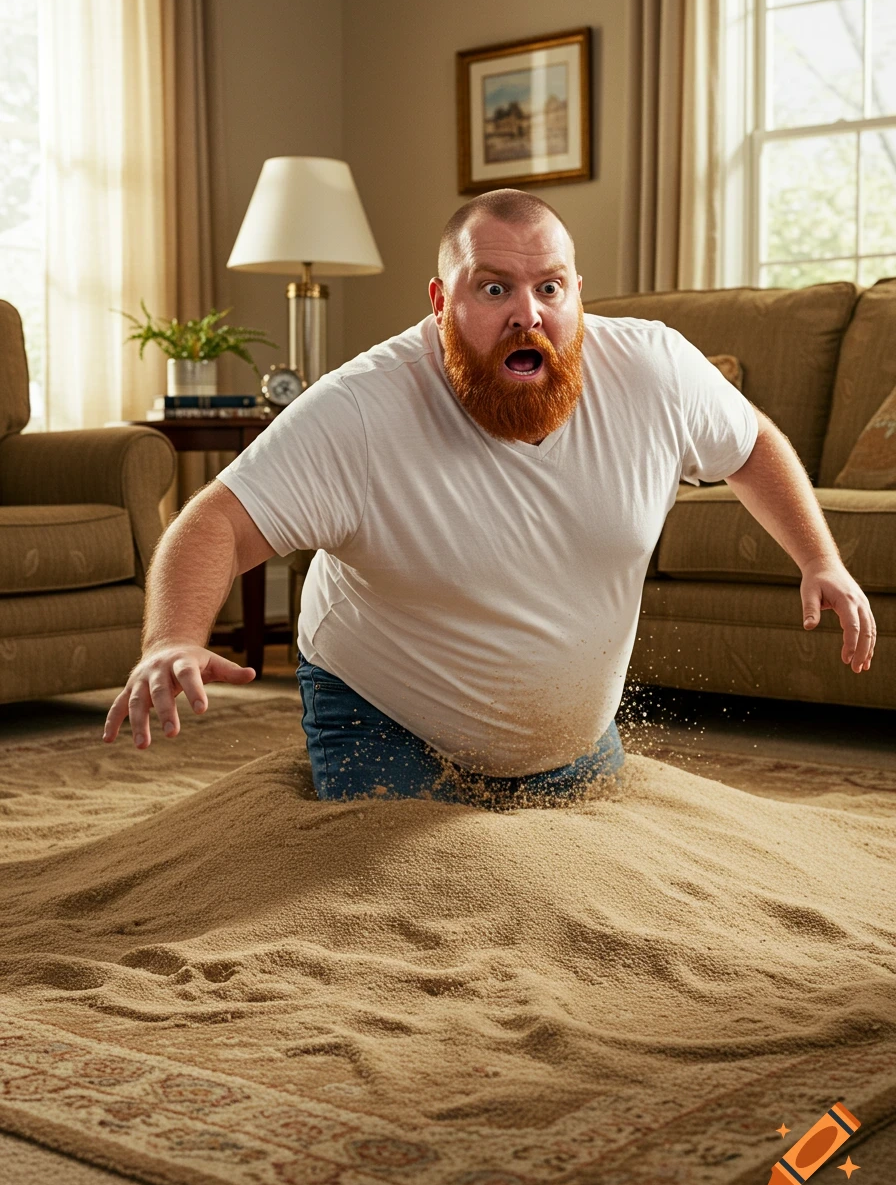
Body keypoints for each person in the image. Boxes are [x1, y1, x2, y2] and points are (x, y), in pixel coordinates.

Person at [103, 189, 876, 808]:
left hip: (569, 743)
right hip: (385, 715)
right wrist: (171, 639)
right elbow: (218, 520)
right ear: (442, 301)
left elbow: (751, 444)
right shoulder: (361, 410)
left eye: (550, 288)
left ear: (578, 295)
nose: (527, 314)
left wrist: (820, 560)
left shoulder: (654, 370)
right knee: (410, 900)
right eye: (494, 288)